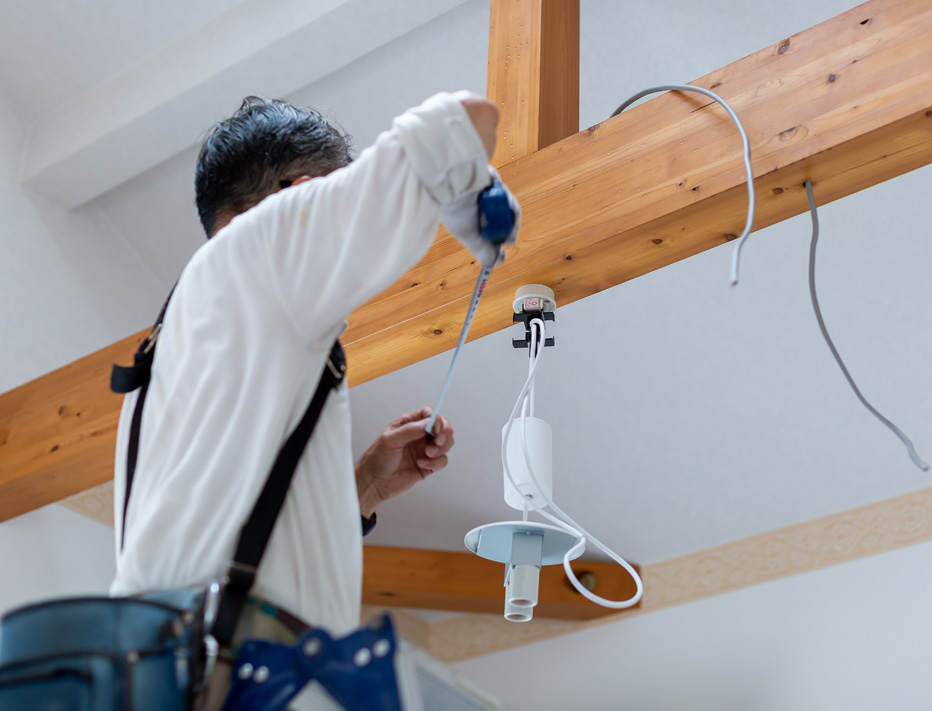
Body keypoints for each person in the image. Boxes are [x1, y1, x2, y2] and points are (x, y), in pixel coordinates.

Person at [109, 90, 506, 707]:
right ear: (302, 195)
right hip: (237, 667)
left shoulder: (179, 340)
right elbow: (469, 116)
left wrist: (364, 488)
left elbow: (228, 524)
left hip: (178, 670)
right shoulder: (261, 252)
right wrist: (468, 188)